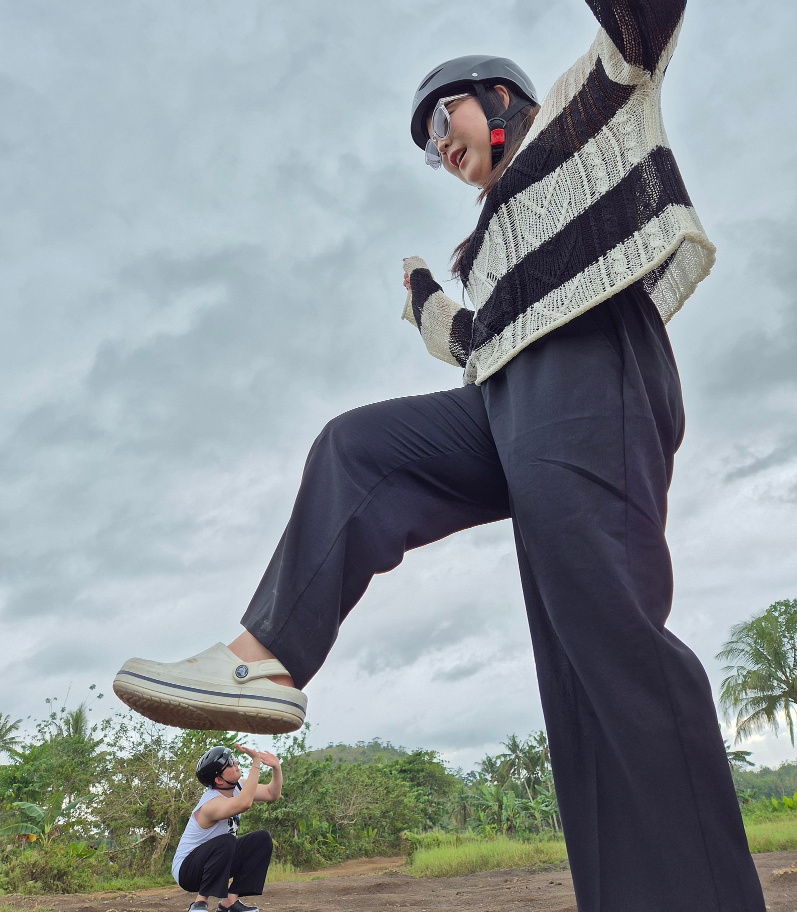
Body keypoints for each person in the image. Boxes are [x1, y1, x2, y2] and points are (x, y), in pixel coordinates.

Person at [114, 0, 769, 908]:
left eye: (440, 121)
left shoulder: (586, 113)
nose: (437, 149)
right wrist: (424, 296)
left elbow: (640, 27)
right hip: (506, 396)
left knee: (600, 637)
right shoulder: (488, 242)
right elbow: (474, 344)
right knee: (359, 449)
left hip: (592, 371)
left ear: (497, 97)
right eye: (426, 146)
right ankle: (263, 657)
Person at [172, 745, 280, 912]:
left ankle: (229, 903)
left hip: (215, 862)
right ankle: (200, 903)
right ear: (219, 780)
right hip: (187, 871)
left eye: (232, 758)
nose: (235, 762)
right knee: (226, 840)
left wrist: (276, 767)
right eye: (229, 763)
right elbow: (245, 803)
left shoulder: (238, 788)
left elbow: (272, 794)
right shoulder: (210, 803)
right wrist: (256, 762)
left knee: (261, 839)